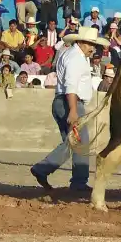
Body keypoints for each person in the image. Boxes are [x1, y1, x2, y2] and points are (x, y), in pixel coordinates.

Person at [30, 26, 109, 194]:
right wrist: (73, 110)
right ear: (80, 42)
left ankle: (50, 172)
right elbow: (71, 87)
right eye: (90, 44)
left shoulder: (70, 54)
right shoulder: (76, 58)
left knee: (72, 143)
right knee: (80, 143)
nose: (92, 48)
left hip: (63, 102)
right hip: (70, 102)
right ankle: (54, 173)